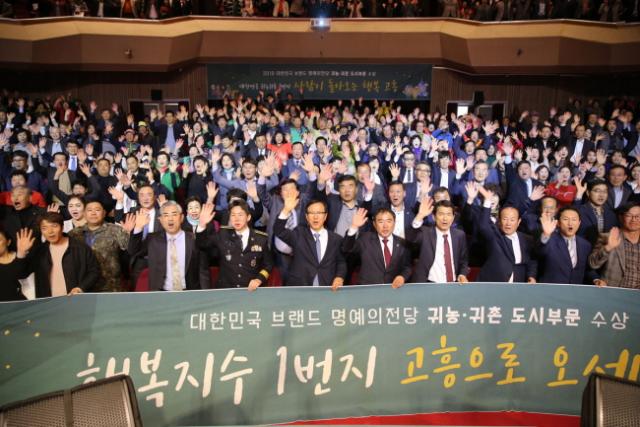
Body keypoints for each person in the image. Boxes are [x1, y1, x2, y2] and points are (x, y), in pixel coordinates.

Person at [125, 201, 210, 291]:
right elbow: (133, 251)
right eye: (166, 215)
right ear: (160, 220)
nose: (170, 219)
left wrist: (205, 294)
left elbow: (203, 271)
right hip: (160, 294)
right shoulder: (152, 239)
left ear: (181, 218)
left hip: (188, 293)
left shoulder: (193, 239)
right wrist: (138, 228)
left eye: (174, 214)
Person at [465, 183, 537, 283]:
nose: (508, 223)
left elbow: (531, 260)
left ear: (518, 222)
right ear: (500, 221)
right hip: (487, 268)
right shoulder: (494, 235)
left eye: (494, 195)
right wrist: (484, 201)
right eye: (505, 219)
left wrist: (531, 276)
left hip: (518, 282)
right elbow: (481, 225)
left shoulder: (526, 239)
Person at [195, 200, 273, 289]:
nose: (236, 219)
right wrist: (201, 225)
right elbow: (202, 244)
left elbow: (268, 264)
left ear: (248, 217)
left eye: (240, 215)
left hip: (251, 291)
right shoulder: (223, 235)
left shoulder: (260, 239)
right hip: (226, 291)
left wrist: (259, 279)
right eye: (233, 215)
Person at [274, 196, 347, 289]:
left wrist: (339, 277)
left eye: (319, 213)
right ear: (307, 217)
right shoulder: (298, 234)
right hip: (300, 288)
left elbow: (341, 262)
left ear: (325, 216)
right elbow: (279, 230)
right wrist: (286, 210)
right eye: (311, 213)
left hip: (327, 288)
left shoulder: (336, 239)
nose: (315, 217)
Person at [26, 212, 100, 298]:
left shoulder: (80, 248)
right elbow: (22, 273)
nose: (50, 231)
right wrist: (22, 254)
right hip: (47, 302)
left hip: (75, 299)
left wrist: (80, 288)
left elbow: (94, 271)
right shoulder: (39, 251)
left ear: (62, 227)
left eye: (54, 226)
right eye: (44, 228)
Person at [341, 208, 412, 287]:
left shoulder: (402, 243)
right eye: (381, 222)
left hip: (392, 289)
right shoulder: (365, 239)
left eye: (389, 221)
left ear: (394, 223)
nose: (385, 226)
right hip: (368, 290)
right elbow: (346, 248)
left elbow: (407, 267)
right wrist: (354, 227)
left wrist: (402, 277)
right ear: (374, 224)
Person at [69, 200, 130, 292]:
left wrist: (129, 233)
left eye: (97, 210)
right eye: (89, 210)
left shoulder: (116, 230)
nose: (93, 213)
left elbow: (129, 249)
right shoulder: (74, 234)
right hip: (83, 286)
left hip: (111, 285)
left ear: (104, 213)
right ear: (84, 213)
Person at [406, 197, 469, 283]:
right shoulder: (426, 233)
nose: (445, 218)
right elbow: (410, 237)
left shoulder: (459, 235)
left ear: (453, 217)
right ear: (434, 217)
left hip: (453, 284)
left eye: (448, 214)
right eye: (441, 214)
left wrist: (462, 274)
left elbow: (463, 261)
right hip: (428, 284)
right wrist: (420, 215)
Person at [537, 207, 599, 285]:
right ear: (558, 223)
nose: (570, 223)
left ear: (579, 223)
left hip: (575, 290)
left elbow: (587, 268)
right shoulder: (550, 240)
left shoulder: (585, 245)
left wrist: (596, 279)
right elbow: (540, 252)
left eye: (574, 220)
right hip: (552, 289)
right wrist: (546, 235)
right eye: (566, 219)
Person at [589, 203, 640, 289]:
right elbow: (592, 264)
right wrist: (608, 248)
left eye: (638, 216)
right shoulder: (607, 237)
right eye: (629, 215)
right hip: (613, 293)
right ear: (621, 217)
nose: (634, 219)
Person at [0, 228, 34, 301]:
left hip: (25, 304)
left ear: (8, 242)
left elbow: (21, 275)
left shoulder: (22, 258)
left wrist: (21, 254)